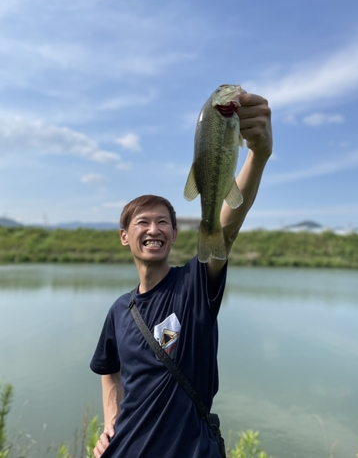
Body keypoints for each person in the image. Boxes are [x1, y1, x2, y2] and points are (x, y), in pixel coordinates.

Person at [90, 93, 272, 458]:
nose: (154, 229)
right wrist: (110, 420)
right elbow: (107, 369)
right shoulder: (119, 310)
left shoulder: (194, 286)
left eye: (163, 222)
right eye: (143, 222)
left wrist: (258, 154)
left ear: (174, 235)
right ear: (125, 237)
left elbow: (228, 225)